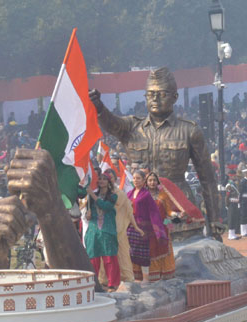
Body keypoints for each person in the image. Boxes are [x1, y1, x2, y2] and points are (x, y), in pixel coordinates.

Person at [89, 67, 222, 239]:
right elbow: (110, 123)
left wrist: (214, 220)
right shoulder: (131, 128)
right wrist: (98, 107)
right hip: (140, 209)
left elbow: (208, 178)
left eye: (161, 94)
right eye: (150, 94)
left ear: (174, 97)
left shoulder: (189, 131)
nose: (155, 99)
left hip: (178, 209)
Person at [84, 171, 120, 291]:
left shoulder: (113, 196)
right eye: (99, 179)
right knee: (93, 257)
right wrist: (87, 215)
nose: (101, 181)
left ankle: (112, 283)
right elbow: (89, 212)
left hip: (107, 230)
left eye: (104, 179)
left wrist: (92, 195)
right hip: (94, 230)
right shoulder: (91, 195)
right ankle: (92, 283)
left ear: (109, 182)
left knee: (109, 258)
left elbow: (105, 206)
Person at [145, 173, 177, 281]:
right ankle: (152, 276)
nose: (152, 182)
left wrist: (174, 216)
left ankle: (166, 274)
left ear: (157, 182)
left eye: (154, 180)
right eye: (150, 180)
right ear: (146, 182)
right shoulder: (143, 195)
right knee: (151, 250)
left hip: (162, 228)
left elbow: (169, 212)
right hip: (148, 229)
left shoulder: (163, 196)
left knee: (164, 249)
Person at [226, 172, 242, 240]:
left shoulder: (234, 184)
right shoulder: (229, 185)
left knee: (234, 218)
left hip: (235, 203)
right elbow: (227, 196)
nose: (235, 177)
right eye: (234, 176)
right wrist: (227, 205)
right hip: (231, 203)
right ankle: (230, 235)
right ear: (231, 176)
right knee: (231, 219)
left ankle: (233, 234)